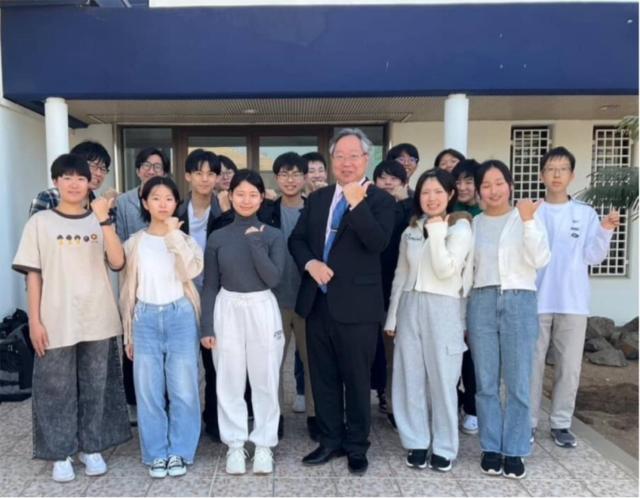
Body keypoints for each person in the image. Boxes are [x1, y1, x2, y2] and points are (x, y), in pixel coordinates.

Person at [13, 153, 130, 482]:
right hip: (55, 318)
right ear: (56, 182)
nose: (75, 184)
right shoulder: (40, 223)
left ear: (90, 183)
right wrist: (34, 321)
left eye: (81, 178)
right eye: (67, 178)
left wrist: (104, 222)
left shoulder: (100, 219)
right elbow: (33, 275)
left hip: (98, 316)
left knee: (96, 385)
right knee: (55, 388)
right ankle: (60, 453)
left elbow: (118, 262)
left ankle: (91, 447)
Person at [289, 128, 395, 475]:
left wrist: (356, 202)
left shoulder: (380, 200)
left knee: (356, 379)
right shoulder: (318, 198)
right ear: (331, 160)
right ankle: (330, 440)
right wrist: (311, 264)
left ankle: (357, 445)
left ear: (366, 159)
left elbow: (377, 242)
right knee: (323, 378)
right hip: (317, 304)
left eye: (353, 156)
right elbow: (297, 240)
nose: (346, 163)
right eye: (340, 156)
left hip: (358, 308)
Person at [465, 160, 550, 479]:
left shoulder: (527, 217)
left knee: (518, 381)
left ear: (510, 185)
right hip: (482, 301)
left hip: (519, 300)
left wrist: (528, 221)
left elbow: (540, 258)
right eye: (486, 185)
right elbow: (468, 271)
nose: (493, 190)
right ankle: (491, 446)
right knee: (486, 381)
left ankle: (514, 449)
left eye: (499, 183)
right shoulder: (475, 224)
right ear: (479, 191)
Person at [530, 147, 620, 448]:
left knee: (569, 367)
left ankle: (561, 423)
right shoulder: (532, 212)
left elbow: (593, 256)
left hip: (573, 301)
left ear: (571, 175)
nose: (556, 174)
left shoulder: (585, 213)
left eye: (563, 169)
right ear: (541, 175)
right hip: (536, 300)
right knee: (532, 365)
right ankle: (528, 422)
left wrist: (605, 230)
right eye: (551, 169)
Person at [385, 168, 472, 472]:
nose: (431, 198)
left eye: (438, 192)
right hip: (410, 305)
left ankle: (445, 446)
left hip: (443, 307)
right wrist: (393, 316)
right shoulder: (411, 229)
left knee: (443, 379)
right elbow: (401, 274)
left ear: (450, 194)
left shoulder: (460, 229)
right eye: (425, 192)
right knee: (410, 377)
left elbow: (446, 269)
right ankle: (417, 442)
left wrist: (436, 232)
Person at [201, 169, 286, 476]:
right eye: (240, 194)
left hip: (262, 306)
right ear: (230, 196)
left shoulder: (273, 235)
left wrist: (255, 243)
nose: (246, 200)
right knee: (229, 378)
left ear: (262, 198)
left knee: (265, 378)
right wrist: (207, 327)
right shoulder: (218, 237)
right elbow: (210, 284)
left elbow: (273, 278)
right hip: (227, 307)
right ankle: (235, 444)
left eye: (253, 194)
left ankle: (264, 444)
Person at [119, 176, 204, 479]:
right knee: (148, 391)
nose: (163, 204)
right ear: (145, 203)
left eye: (169, 198)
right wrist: (128, 333)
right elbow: (126, 290)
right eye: (156, 198)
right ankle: (156, 453)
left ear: (176, 203)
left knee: (184, 388)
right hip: (144, 318)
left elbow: (191, 270)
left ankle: (180, 450)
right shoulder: (134, 243)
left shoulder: (185, 240)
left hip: (180, 315)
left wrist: (173, 235)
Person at [263, 152, 318, 441]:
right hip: (275, 299)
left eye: (296, 174)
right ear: (276, 178)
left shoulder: (316, 209)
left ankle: (315, 416)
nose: (290, 179)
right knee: (273, 363)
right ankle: (276, 416)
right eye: (284, 174)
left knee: (314, 363)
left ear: (305, 178)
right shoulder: (266, 211)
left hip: (310, 298)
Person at [116, 147, 169, 424]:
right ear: (137, 170)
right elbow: (120, 238)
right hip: (134, 276)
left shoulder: (169, 197)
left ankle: (164, 399)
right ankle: (134, 403)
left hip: (163, 281)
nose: (151, 170)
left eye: (157, 166)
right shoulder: (124, 201)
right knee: (132, 342)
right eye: (146, 165)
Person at [175, 149, 223, 442]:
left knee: (215, 361)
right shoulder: (175, 212)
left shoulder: (225, 211)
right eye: (199, 173)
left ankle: (214, 420)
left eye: (211, 173)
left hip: (215, 295)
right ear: (188, 176)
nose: (205, 179)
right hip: (181, 294)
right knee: (183, 364)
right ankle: (185, 422)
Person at [372, 159, 413, 429]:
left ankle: (391, 399)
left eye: (394, 178)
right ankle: (378, 394)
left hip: (397, 291)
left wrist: (403, 202)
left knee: (393, 351)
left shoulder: (412, 209)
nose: (388, 183)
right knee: (372, 350)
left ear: (404, 183)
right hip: (369, 289)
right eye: (383, 178)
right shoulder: (368, 206)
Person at [451, 159, 483, 436]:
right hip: (450, 294)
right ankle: (455, 401)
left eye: (468, 181)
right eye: (458, 181)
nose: (462, 187)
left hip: (476, 293)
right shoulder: (448, 211)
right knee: (451, 353)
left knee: (472, 354)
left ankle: (472, 408)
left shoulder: (484, 215)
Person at [29, 141, 112, 216]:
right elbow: (36, 226)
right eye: (93, 166)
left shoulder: (96, 204)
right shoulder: (49, 198)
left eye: (103, 168)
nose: (98, 173)